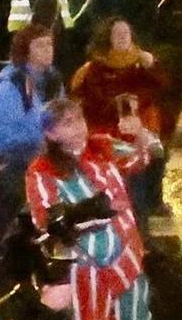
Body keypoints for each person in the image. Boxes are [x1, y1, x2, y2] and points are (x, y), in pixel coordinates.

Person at [24, 97, 177, 320]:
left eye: (79, 118)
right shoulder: (42, 170)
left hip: (128, 253)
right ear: (50, 133)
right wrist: (94, 213)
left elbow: (144, 157)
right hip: (87, 264)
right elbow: (46, 221)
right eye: (66, 123)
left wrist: (140, 134)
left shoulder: (102, 146)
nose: (78, 127)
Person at [69, 17, 171, 220]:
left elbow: (162, 87)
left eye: (126, 33)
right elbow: (94, 103)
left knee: (155, 162)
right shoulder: (94, 69)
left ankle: (150, 208)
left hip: (141, 132)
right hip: (111, 137)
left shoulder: (140, 62)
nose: (123, 37)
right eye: (118, 34)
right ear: (107, 39)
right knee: (131, 183)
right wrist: (122, 105)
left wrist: (153, 66)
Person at [0, 25, 64, 179]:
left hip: (52, 153)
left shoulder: (54, 81)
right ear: (25, 51)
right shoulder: (11, 86)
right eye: (39, 45)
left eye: (49, 44)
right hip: (19, 162)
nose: (47, 49)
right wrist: (39, 140)